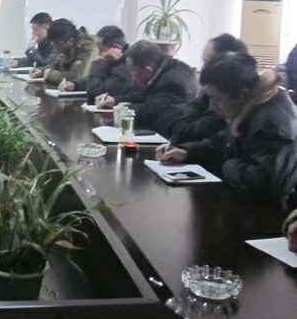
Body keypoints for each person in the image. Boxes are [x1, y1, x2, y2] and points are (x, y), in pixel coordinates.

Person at [183, 53, 297, 203]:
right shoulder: (252, 103)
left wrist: (227, 165)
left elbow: (265, 181)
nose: (212, 106)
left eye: (217, 99)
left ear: (241, 95)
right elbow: (225, 140)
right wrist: (188, 151)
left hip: (272, 212)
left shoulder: (271, 122)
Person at [157, 34, 248, 169]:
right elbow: (177, 129)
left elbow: (184, 133)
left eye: (207, 62)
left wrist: (224, 166)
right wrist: (186, 152)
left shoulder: (231, 104)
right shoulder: (210, 95)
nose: (203, 68)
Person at [97, 40, 197, 136]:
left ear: (147, 69)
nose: (133, 77)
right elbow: (142, 95)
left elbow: (151, 111)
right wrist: (115, 100)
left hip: (167, 136)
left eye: (134, 72)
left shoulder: (173, 81)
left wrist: (120, 111)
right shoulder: (160, 68)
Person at [63, 25, 135, 101]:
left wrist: (99, 63)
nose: (99, 54)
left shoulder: (128, 66)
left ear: (116, 47)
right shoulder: (115, 61)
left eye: (101, 50)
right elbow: (97, 79)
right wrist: (75, 84)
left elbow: (94, 92)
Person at [30, 18, 96, 88]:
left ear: (70, 41)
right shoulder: (66, 45)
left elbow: (77, 77)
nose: (55, 47)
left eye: (57, 44)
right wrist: (41, 71)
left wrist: (49, 74)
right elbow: (55, 65)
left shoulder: (87, 47)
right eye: (53, 44)